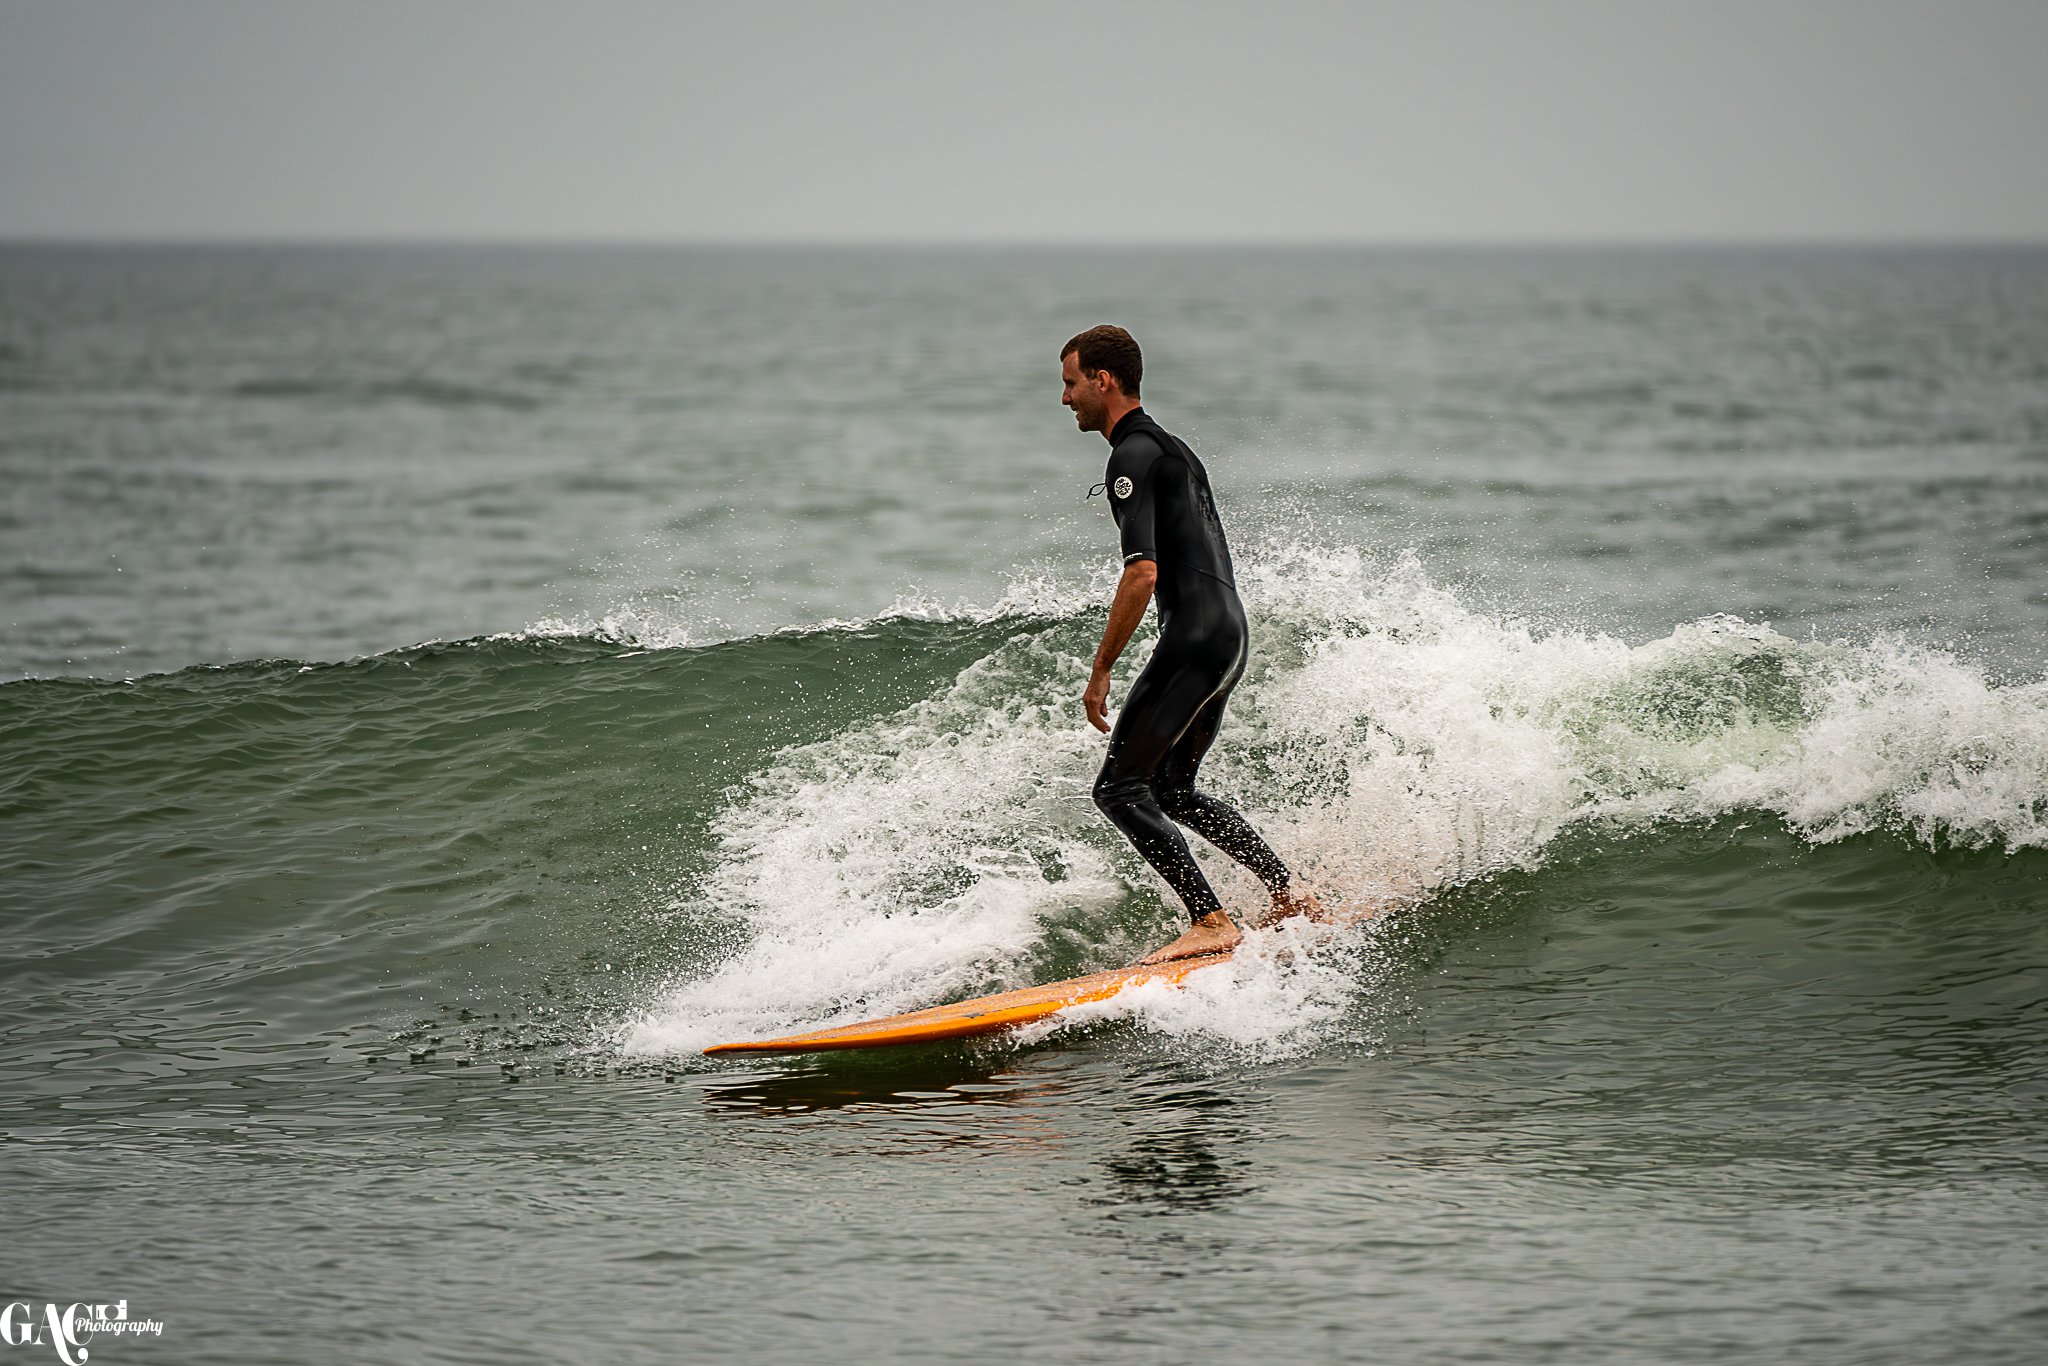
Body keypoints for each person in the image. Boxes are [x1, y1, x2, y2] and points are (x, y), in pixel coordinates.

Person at [1060, 324, 1322, 963]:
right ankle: (1290, 893)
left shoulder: (1132, 454)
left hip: (1196, 635)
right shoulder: (1172, 448)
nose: (1065, 399)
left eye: (1070, 383)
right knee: (1172, 790)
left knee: (1118, 791)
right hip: (1228, 632)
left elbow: (1142, 572)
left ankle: (1209, 920)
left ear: (1104, 379)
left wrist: (1100, 671)